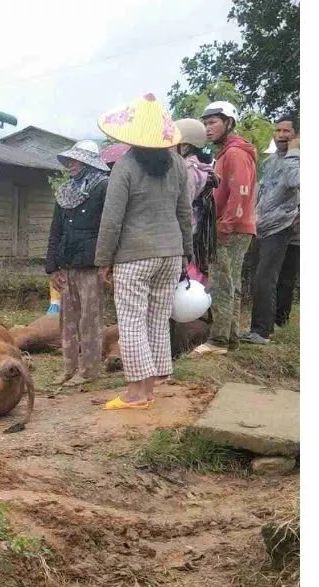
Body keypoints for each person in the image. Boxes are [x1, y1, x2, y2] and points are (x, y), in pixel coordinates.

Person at [94, 93, 191, 410]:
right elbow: (184, 212)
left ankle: (137, 393)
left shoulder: (125, 165)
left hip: (135, 256)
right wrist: (186, 252)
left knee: (132, 322)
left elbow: (112, 219)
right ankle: (153, 383)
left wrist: (103, 260)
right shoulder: (177, 164)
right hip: (171, 254)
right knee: (157, 320)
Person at [191, 101, 257, 357]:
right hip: (236, 226)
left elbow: (240, 192)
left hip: (231, 228)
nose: (208, 128)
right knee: (231, 284)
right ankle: (230, 338)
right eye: (205, 123)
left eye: (213, 123)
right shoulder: (228, 152)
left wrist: (224, 225)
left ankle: (218, 341)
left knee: (220, 283)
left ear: (229, 122)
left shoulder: (235, 153)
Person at [45, 140, 110, 387]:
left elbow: (110, 228)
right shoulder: (65, 191)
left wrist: (107, 261)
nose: (70, 164)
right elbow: (55, 231)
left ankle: (90, 370)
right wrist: (52, 267)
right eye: (69, 161)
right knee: (67, 320)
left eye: (75, 160)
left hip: (91, 264)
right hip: (68, 264)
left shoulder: (103, 187)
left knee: (90, 319)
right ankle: (68, 368)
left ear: (88, 162)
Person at [244, 115, 299, 345]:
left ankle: (262, 332)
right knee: (263, 278)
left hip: (283, 225)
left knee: (266, 278)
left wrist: (294, 153)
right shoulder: (270, 161)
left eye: (287, 131)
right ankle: (263, 328)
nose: (280, 135)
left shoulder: (298, 160)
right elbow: (263, 190)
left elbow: (295, 181)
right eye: (277, 130)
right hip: (262, 225)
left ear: (296, 135)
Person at [174, 118, 217, 285]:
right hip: (197, 227)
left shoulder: (189, 169)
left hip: (186, 229)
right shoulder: (204, 166)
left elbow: (184, 203)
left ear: (185, 145)